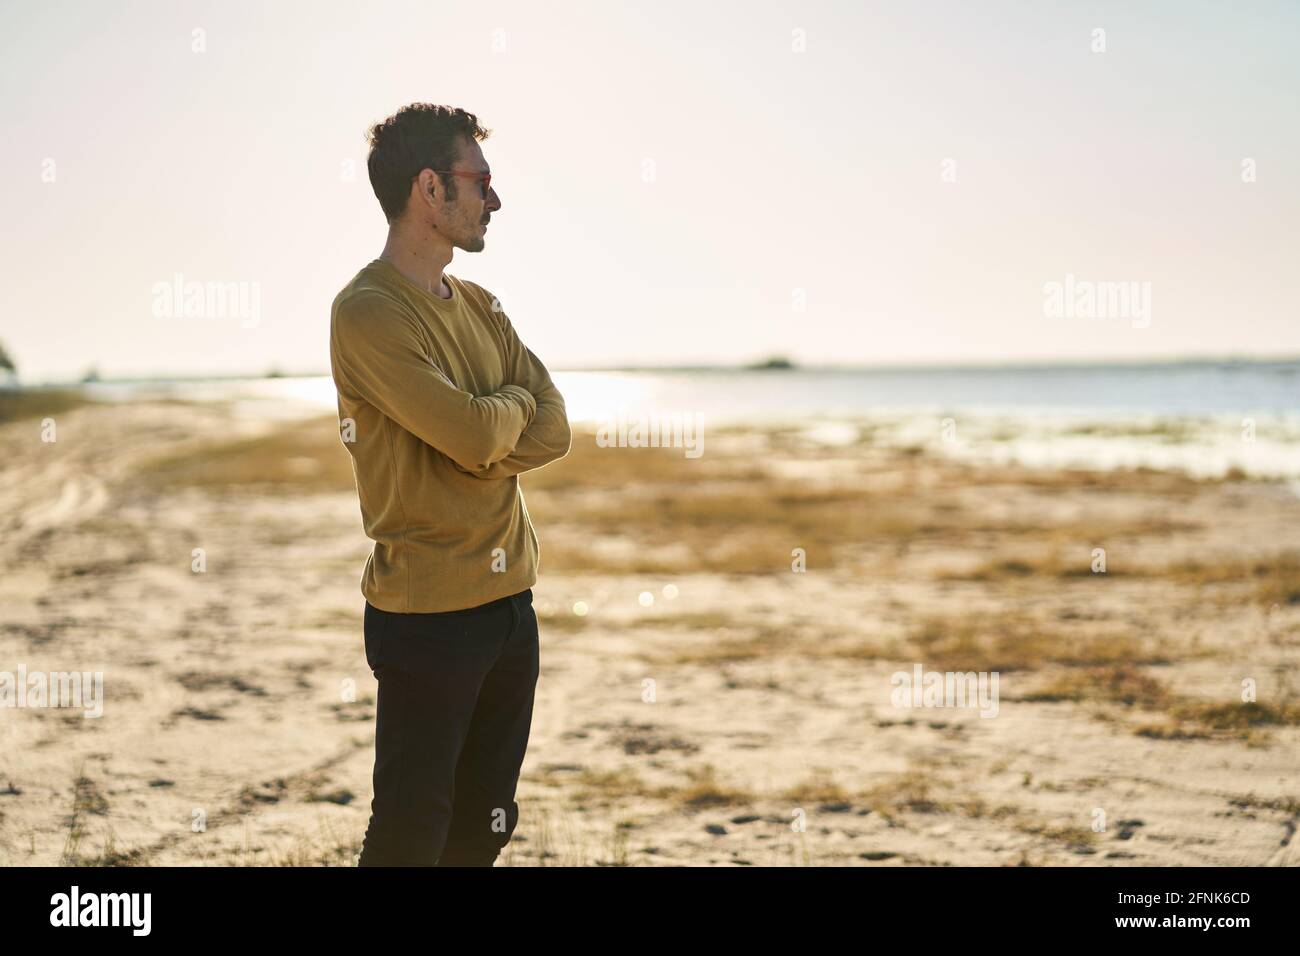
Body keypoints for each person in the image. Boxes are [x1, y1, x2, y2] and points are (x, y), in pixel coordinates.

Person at [329, 103, 571, 866]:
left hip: (511, 607)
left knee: (485, 826)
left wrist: (481, 433)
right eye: (481, 182)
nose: (494, 201)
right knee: (409, 833)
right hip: (428, 615)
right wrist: (494, 424)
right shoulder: (367, 312)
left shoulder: (481, 305)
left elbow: (554, 426)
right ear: (429, 189)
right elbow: (475, 434)